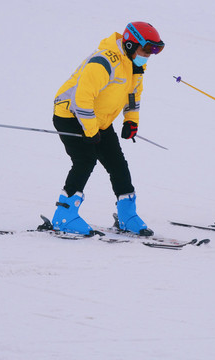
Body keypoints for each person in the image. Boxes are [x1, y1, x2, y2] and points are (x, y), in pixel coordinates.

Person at [48, 22, 165, 236]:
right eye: (147, 49)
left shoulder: (135, 65)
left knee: (117, 164)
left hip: (99, 120)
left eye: (155, 50)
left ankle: (127, 216)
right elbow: (82, 98)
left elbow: (133, 94)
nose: (149, 55)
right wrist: (90, 130)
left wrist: (131, 120)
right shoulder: (103, 62)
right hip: (71, 115)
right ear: (130, 44)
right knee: (85, 160)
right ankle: (63, 216)